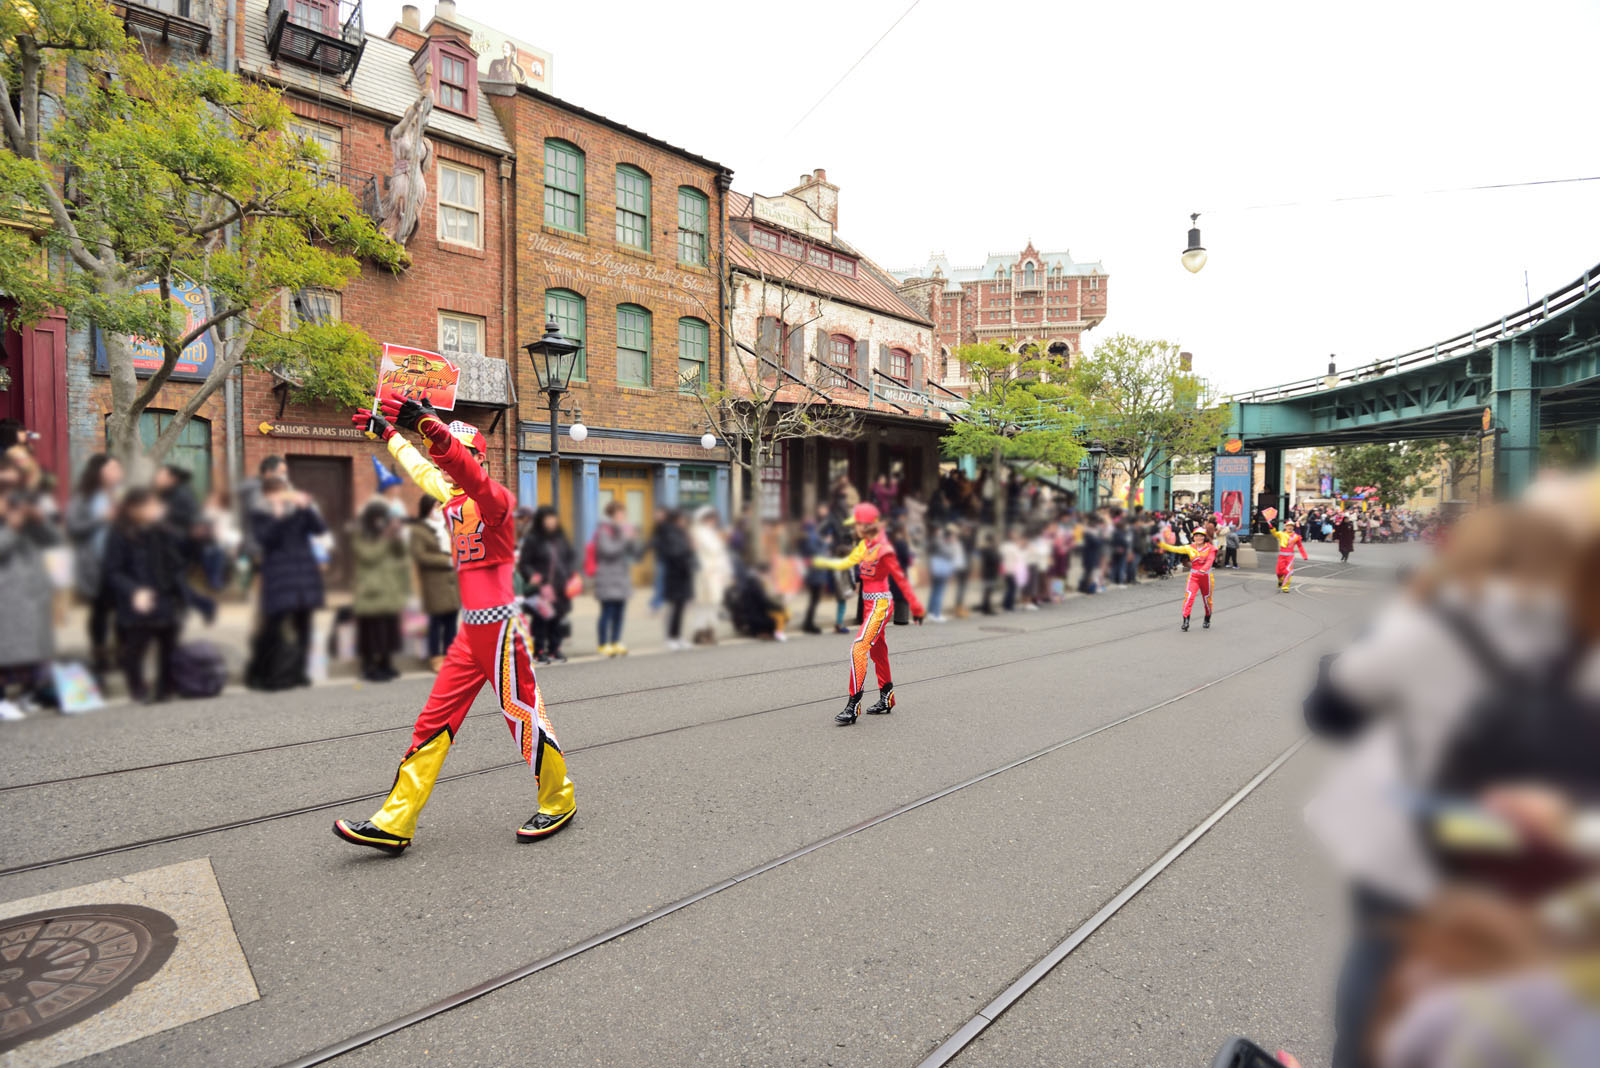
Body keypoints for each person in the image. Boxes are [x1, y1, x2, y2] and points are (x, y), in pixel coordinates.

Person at [334, 392, 575, 854]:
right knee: (433, 722)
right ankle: (395, 820)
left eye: (455, 458)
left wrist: (431, 429)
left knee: (524, 717)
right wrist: (390, 435)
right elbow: (427, 471)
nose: (444, 465)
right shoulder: (452, 500)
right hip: (471, 632)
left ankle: (559, 799)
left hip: (503, 629)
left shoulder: (496, 502)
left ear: (476, 460)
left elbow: (466, 473)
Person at [808, 502, 923, 726]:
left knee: (858, 648)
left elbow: (900, 578)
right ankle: (887, 698)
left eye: (857, 524)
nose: (855, 528)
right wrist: (820, 562)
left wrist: (916, 608)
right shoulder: (864, 545)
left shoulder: (884, 549)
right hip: (869, 605)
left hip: (880, 604)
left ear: (867, 524)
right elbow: (847, 562)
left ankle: (853, 705)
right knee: (878, 651)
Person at [102, 488, 188, 702]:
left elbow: (178, 557)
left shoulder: (162, 530)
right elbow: (113, 571)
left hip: (164, 595)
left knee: (169, 643)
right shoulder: (120, 533)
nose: (155, 509)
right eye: (149, 505)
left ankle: (165, 688)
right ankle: (137, 688)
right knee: (135, 647)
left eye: (155, 505)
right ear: (133, 509)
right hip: (136, 599)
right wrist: (134, 591)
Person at [245, 476, 324, 691]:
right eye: (274, 493)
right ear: (266, 495)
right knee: (272, 627)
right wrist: (278, 516)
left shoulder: (298, 509)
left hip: (303, 577)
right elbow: (264, 540)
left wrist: (307, 508)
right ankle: (260, 674)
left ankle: (299, 672)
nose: (280, 496)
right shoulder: (260, 514)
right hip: (278, 578)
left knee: (304, 626)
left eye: (283, 491)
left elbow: (318, 529)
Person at [0, 475, 59, 719]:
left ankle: (27, 695)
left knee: (33, 650)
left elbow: (54, 541)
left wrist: (39, 521)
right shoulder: (11, 525)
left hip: (32, 595)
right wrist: (12, 528)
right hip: (6, 597)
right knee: (5, 650)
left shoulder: (28, 522)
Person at [64, 453, 122, 678]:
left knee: (123, 611)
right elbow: (73, 527)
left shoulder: (119, 494)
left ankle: (122, 655)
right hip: (94, 564)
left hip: (119, 563)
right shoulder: (84, 497)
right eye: (113, 468)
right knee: (100, 611)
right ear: (99, 472)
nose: (118, 473)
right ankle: (100, 657)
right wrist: (102, 518)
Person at [350, 499, 410, 682]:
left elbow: (401, 553)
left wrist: (397, 535)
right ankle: (368, 666)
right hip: (369, 590)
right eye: (377, 518)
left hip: (389, 588)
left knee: (389, 629)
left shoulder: (388, 534)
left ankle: (385, 664)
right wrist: (385, 537)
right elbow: (370, 556)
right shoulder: (360, 534)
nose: (380, 522)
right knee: (371, 630)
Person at [517, 506, 574, 664]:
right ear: (541, 521)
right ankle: (539, 651)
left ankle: (555, 649)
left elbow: (568, 557)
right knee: (542, 619)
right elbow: (524, 563)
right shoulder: (533, 539)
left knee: (557, 617)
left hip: (560, 585)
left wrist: (571, 575)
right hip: (542, 586)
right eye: (547, 518)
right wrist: (532, 575)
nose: (551, 522)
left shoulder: (560, 537)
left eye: (553, 518)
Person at [410, 496, 460, 673]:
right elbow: (420, 555)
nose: (438, 509)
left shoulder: (446, 526)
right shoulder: (419, 530)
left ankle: (450, 656)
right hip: (434, 581)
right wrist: (446, 561)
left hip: (451, 581)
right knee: (436, 622)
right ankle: (436, 657)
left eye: (440, 505)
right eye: (435, 505)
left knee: (451, 621)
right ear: (427, 508)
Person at [592, 500, 638, 656]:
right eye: (619, 514)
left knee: (620, 612)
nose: (622, 517)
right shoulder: (605, 530)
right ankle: (603, 643)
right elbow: (608, 551)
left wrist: (632, 539)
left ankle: (616, 641)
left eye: (623, 514)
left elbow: (633, 552)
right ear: (611, 515)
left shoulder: (621, 531)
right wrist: (624, 539)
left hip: (621, 577)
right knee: (607, 611)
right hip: (607, 577)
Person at [650, 509, 695, 650]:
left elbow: (685, 551)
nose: (684, 522)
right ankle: (670, 637)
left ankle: (678, 636)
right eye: (682, 519)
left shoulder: (680, 533)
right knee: (674, 608)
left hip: (683, 574)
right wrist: (689, 553)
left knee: (680, 608)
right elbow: (676, 554)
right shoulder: (670, 534)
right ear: (676, 520)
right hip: (675, 575)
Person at [1158, 527, 1216, 631]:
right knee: (1189, 598)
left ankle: (1207, 618)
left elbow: (1210, 560)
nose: (1199, 538)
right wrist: (1161, 544)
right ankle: (1186, 621)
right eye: (1196, 535)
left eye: (1201, 535)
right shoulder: (1189, 547)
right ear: (1193, 537)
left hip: (1206, 577)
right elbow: (1175, 548)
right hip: (1193, 577)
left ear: (1204, 537)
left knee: (1207, 600)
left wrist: (1204, 569)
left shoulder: (1210, 548)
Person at [689, 506, 732, 645]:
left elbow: (721, 553)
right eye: (711, 518)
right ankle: (700, 632)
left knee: (713, 603)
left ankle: (710, 631)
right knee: (703, 604)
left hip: (715, 573)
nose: (714, 521)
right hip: (705, 572)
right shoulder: (698, 532)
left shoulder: (711, 532)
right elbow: (712, 549)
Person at [800, 506, 833, 634]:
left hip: (813, 572)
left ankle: (808, 622)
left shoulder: (807, 536)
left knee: (813, 599)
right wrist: (826, 544)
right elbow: (817, 552)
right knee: (814, 599)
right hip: (816, 573)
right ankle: (809, 623)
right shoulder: (811, 537)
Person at [1275, 519, 1310, 591]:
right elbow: (1274, 533)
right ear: (1285, 527)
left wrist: (1304, 555)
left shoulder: (1296, 537)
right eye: (1288, 526)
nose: (1290, 527)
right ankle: (1280, 580)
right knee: (1279, 572)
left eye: (1291, 526)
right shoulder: (1281, 534)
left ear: (1293, 527)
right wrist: (1271, 528)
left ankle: (1285, 587)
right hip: (1281, 557)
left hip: (1290, 557)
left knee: (1288, 571)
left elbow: (1300, 546)